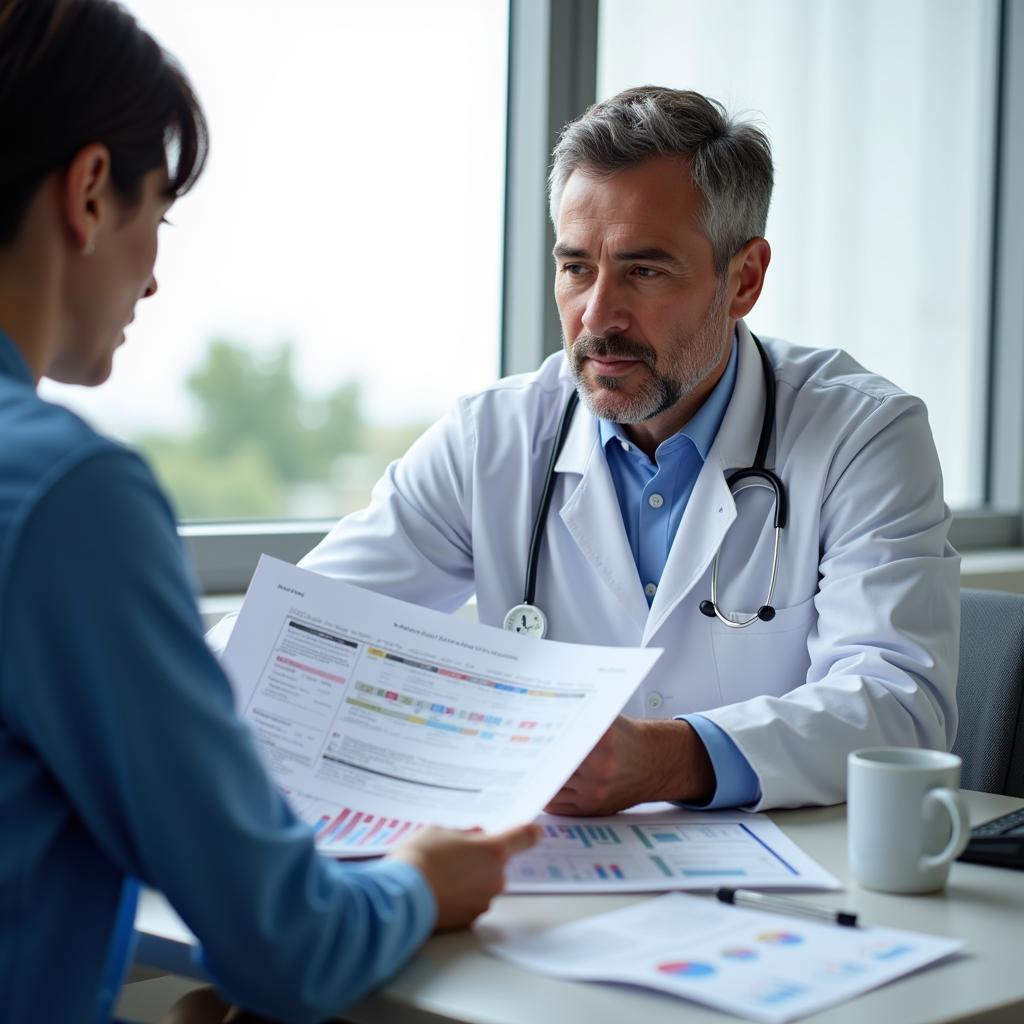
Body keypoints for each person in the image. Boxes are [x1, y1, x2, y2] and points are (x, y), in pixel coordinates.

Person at [0, 2, 538, 1022]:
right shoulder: (70, 498)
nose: (154, 274)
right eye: (157, 211)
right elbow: (286, 941)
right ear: (87, 191)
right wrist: (424, 879)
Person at [210, 85, 961, 815]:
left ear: (744, 279)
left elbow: (899, 706)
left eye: (644, 269)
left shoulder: (862, 434)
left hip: (791, 889)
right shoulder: (493, 440)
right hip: (555, 884)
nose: (597, 315)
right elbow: (286, 635)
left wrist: (667, 758)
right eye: (576, 267)